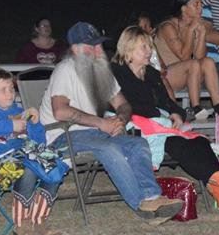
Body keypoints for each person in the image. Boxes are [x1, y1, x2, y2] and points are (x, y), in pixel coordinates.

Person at [38, 21, 185, 224]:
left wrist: (120, 120)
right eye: (92, 46)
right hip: (62, 134)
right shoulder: (66, 69)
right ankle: (142, 204)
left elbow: (123, 104)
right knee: (108, 148)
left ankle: (152, 197)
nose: (98, 50)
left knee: (137, 143)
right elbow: (60, 110)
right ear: (75, 49)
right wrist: (101, 123)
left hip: (93, 133)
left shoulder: (101, 70)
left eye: (99, 44)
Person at [110, 26, 219, 216]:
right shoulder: (116, 73)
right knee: (178, 144)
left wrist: (176, 113)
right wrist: (161, 116)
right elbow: (125, 105)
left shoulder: (152, 74)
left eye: (149, 47)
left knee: (199, 142)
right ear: (128, 50)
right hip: (136, 126)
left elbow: (168, 102)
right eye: (143, 47)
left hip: (159, 122)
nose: (149, 52)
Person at [0, 67, 66, 235]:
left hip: (22, 154)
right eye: (3, 90)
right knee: (27, 170)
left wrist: (35, 124)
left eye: (11, 89)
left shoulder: (18, 112)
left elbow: (39, 142)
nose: (9, 93)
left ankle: (40, 220)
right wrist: (11, 126)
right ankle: (22, 223)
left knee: (52, 165)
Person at [155, 0, 219, 119]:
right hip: (166, 77)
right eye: (196, 4)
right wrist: (190, 31)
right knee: (192, 64)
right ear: (184, 8)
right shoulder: (168, 27)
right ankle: (195, 108)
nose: (201, 8)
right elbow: (184, 57)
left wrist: (202, 34)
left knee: (208, 61)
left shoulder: (193, 25)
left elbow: (200, 58)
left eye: (201, 4)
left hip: (188, 74)